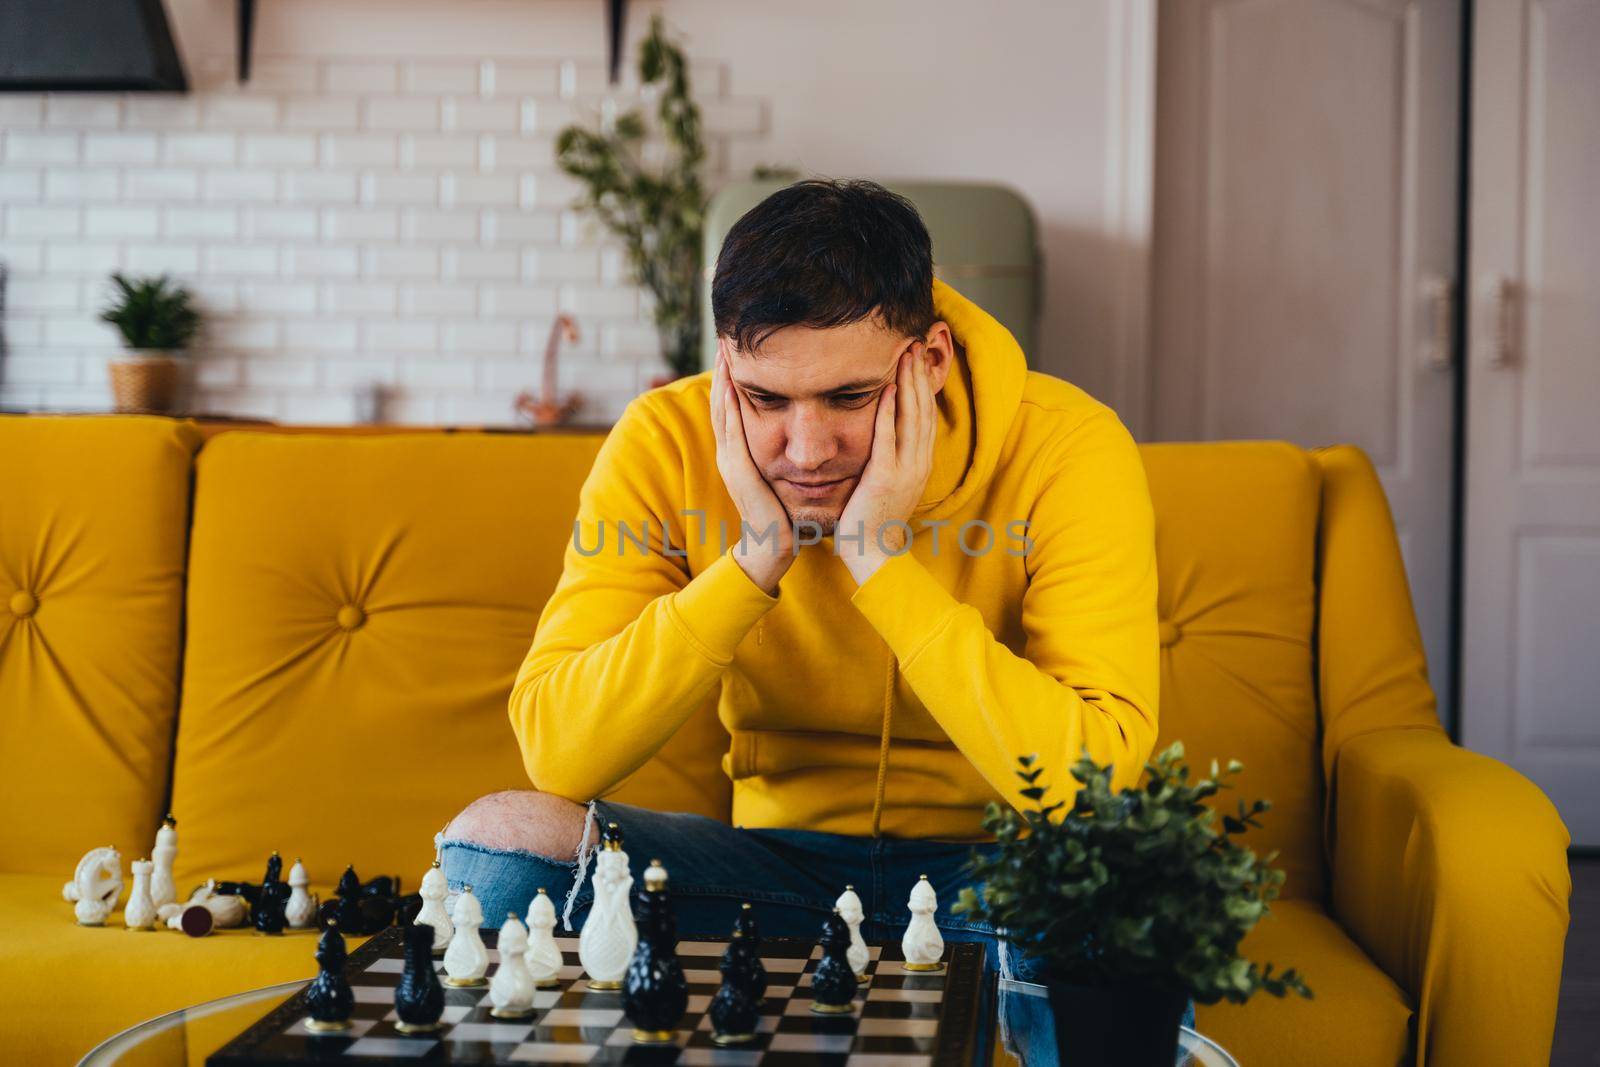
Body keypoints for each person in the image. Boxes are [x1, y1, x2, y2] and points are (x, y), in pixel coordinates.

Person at [440, 178, 1195, 1054]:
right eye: (765, 399)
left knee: (1133, 886)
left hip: (1007, 878)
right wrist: (756, 555)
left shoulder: (1070, 446)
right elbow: (561, 750)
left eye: (848, 398)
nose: (806, 450)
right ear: (725, 366)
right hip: (772, 877)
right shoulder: (660, 441)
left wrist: (880, 561)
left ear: (932, 359)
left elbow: (1093, 783)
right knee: (502, 840)